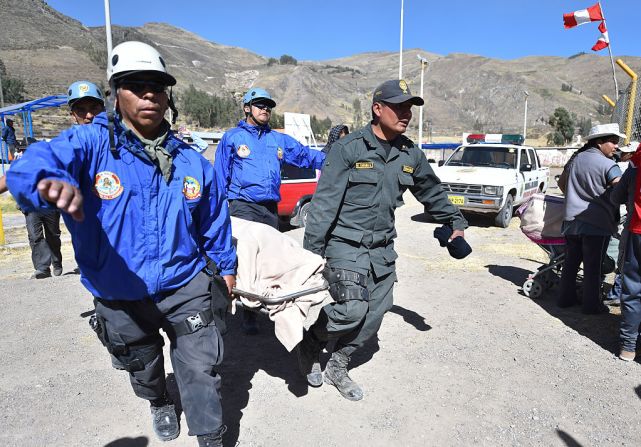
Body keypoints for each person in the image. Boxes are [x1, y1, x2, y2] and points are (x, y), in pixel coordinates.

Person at [6, 41, 236, 447]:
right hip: (117, 289)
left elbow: (214, 220)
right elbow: (37, 160)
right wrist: (41, 185)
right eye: (135, 85)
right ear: (115, 94)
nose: (149, 94)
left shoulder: (192, 162)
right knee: (141, 364)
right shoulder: (91, 145)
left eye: (158, 86)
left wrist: (227, 267)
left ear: (168, 96)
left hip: (185, 285)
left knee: (201, 368)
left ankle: (210, 437)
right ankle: (159, 400)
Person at [299, 79, 469, 401]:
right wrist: (312, 255)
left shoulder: (410, 154)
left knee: (376, 312)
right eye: (399, 106)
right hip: (344, 245)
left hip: (382, 249)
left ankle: (338, 364)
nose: (406, 113)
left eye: (410, 108)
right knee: (351, 309)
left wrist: (454, 222)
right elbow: (323, 205)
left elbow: (432, 192)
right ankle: (311, 342)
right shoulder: (348, 148)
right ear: (378, 109)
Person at [214, 86, 325, 334]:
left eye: (269, 106)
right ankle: (247, 312)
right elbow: (220, 178)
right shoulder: (232, 138)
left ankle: (263, 303)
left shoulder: (278, 140)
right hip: (242, 207)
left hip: (269, 209)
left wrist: (337, 156)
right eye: (260, 104)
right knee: (245, 260)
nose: (265, 109)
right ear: (247, 108)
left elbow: (307, 156)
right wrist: (219, 212)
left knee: (268, 260)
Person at [557, 123, 624, 314]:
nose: (616, 146)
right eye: (612, 142)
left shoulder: (575, 160)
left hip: (571, 223)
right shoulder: (608, 165)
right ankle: (591, 305)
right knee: (593, 269)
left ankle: (564, 300)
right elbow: (619, 189)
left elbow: (562, 184)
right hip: (597, 224)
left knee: (570, 265)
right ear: (599, 142)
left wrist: (576, 196)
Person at [610, 141, 641, 361]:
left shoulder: (635, 166)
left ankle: (628, 347)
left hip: (637, 231)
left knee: (632, 289)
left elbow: (615, 198)